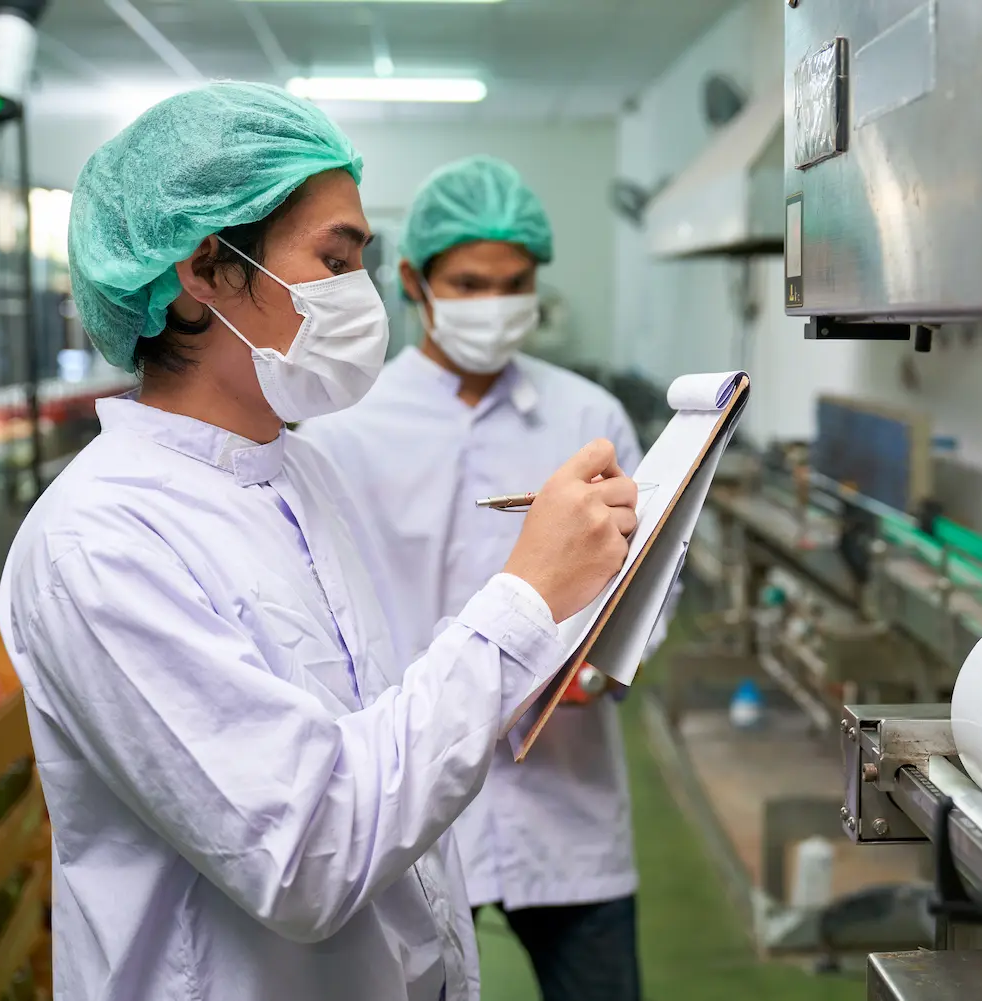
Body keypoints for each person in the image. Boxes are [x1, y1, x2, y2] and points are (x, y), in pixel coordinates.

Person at [0, 84, 638, 1001]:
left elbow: (375, 752)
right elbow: (307, 854)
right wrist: (528, 596)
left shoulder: (294, 475)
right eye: (334, 260)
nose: (362, 297)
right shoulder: (99, 544)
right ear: (206, 269)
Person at [300, 155, 660, 1001]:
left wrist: (601, 665)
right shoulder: (344, 427)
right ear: (414, 281)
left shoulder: (588, 418)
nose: (494, 303)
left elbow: (651, 579)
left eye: (514, 282)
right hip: (408, 794)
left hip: (566, 801)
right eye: (468, 282)